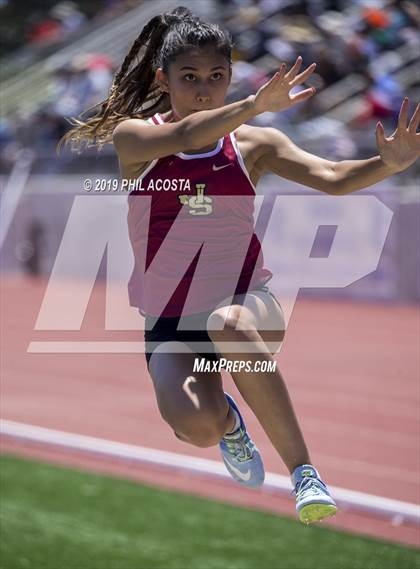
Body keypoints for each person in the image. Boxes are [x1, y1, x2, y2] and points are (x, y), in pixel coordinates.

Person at [59, 6, 419, 525]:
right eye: (189, 78)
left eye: (216, 77)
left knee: (226, 323)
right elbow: (188, 138)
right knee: (196, 426)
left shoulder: (253, 142)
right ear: (163, 79)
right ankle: (228, 423)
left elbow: (335, 176)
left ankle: (304, 474)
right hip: (171, 322)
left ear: (230, 75)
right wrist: (254, 103)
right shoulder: (136, 138)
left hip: (248, 304)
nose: (204, 89)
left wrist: (387, 163)